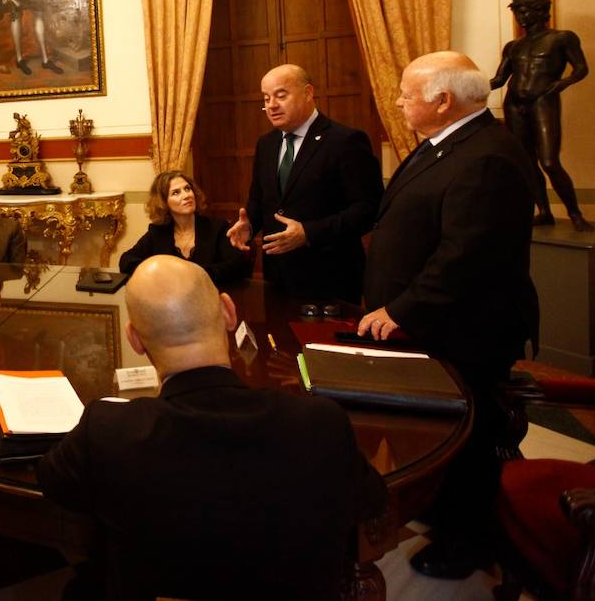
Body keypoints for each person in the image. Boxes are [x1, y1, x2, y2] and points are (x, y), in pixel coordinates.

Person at [39, 256, 386, 601]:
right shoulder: (320, 424)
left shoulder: (108, 431)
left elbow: (53, 480)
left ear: (135, 339)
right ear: (228, 312)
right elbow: (371, 501)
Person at [357, 51, 540, 579]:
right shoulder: (446, 143)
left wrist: (402, 307)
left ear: (443, 101)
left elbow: (468, 255)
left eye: (407, 94)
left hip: (467, 332)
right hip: (433, 327)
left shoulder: (487, 156)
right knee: (440, 431)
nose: (397, 101)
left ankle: (472, 542)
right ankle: (442, 509)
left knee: (472, 436)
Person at [226, 64, 383, 302]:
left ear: (308, 93)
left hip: (330, 277)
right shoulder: (266, 144)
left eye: (281, 95)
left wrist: (309, 233)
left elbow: (369, 209)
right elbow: (261, 199)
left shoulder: (345, 141)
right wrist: (250, 226)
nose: (271, 105)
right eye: (266, 98)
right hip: (278, 277)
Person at [490, 0, 593, 230]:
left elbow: (581, 67)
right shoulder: (513, 46)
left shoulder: (561, 38)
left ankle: (575, 213)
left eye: (526, 11)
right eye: (518, 12)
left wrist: (564, 83)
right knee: (526, 161)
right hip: (514, 104)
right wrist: (466, 87)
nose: (521, 17)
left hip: (543, 101)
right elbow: (499, 79)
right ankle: (544, 211)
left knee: (548, 161)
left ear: (541, 12)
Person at [119, 170, 250, 285]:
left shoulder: (217, 228)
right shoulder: (158, 232)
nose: (186, 195)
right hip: (170, 305)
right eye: (176, 193)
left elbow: (238, 266)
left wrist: (192, 274)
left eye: (187, 189)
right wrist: (159, 273)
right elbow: (126, 261)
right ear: (163, 202)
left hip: (211, 299)